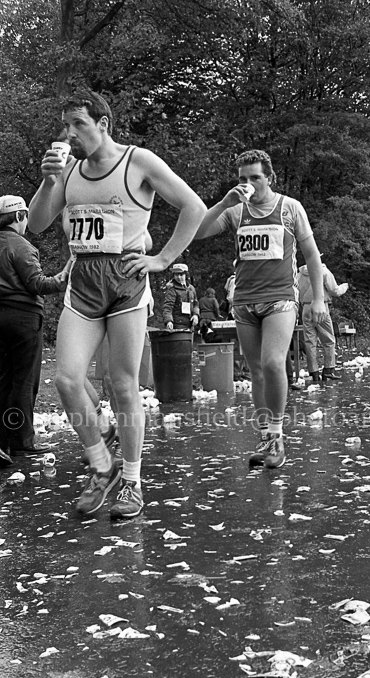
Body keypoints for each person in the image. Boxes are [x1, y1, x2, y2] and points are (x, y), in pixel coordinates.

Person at [28, 88, 206, 518]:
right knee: (67, 380)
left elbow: (193, 207)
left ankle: (132, 480)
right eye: (66, 126)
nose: (70, 134)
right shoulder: (68, 171)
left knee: (122, 385)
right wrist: (50, 178)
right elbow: (35, 223)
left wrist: (162, 258)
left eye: (79, 125)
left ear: (102, 124)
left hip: (126, 282)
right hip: (84, 281)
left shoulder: (137, 161)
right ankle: (102, 465)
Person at [195, 148, 326, 469]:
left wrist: (319, 298)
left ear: (269, 177)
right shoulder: (236, 212)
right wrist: (224, 203)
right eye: (243, 178)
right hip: (244, 302)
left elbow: (312, 255)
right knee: (255, 372)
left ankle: (278, 435)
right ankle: (266, 435)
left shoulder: (290, 208)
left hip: (280, 298)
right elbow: (196, 232)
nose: (249, 183)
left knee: (272, 363)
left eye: (255, 177)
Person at [0, 195, 68, 468]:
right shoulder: (22, 246)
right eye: (26, 216)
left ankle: (2, 443)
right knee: (24, 382)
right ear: (19, 216)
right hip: (24, 320)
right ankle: (22, 444)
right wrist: (63, 278)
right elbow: (37, 284)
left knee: (3, 380)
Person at [297, 259, 348, 383]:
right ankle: (328, 370)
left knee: (310, 342)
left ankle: (313, 372)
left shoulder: (299, 274)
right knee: (328, 340)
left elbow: (296, 291)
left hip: (305, 308)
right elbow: (334, 290)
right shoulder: (323, 271)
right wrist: (344, 287)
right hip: (321, 306)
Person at [162, 263, 199, 332]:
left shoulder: (191, 288)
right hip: (177, 325)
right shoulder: (172, 289)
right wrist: (169, 321)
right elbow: (168, 306)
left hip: (191, 324)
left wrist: (196, 315)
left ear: (186, 275)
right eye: (176, 274)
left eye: (181, 274)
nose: (178, 277)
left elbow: (196, 304)